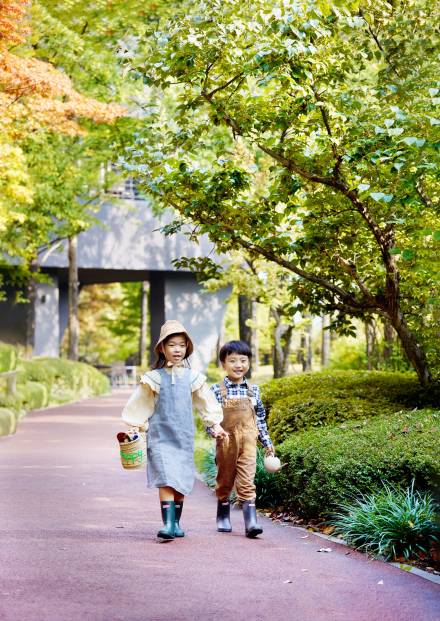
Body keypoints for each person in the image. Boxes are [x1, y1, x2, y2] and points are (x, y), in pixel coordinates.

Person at [121, 320, 227, 541]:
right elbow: (140, 404)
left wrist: (215, 425)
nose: (177, 349)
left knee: (179, 480)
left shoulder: (193, 378)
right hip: (159, 438)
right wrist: (134, 424)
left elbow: (206, 404)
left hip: (183, 437)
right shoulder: (153, 378)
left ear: (187, 348)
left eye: (181, 345)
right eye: (171, 345)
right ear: (162, 348)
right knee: (167, 478)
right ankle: (168, 525)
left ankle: (176, 523)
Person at [209, 340, 275, 538]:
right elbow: (209, 418)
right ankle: (222, 515)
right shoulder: (216, 390)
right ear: (223, 364)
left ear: (249, 362)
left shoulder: (254, 391)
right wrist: (215, 430)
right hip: (226, 443)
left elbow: (260, 419)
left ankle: (251, 522)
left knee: (247, 479)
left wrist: (267, 443)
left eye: (243, 360)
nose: (239, 365)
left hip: (248, 442)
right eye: (233, 360)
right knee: (225, 480)